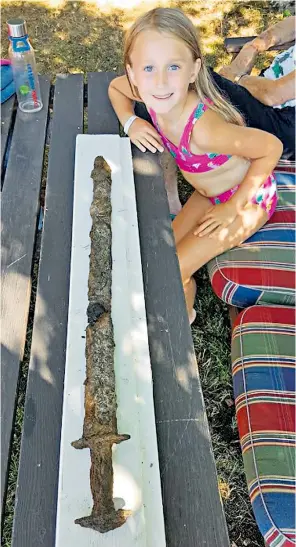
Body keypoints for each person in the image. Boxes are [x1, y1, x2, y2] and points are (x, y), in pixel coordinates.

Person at [108, 7, 283, 324]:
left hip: (248, 201)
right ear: (133, 72)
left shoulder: (204, 129)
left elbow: (272, 147)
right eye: (148, 68)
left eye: (173, 66)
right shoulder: (147, 93)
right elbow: (114, 89)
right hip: (208, 194)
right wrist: (131, 121)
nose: (160, 82)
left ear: (193, 71)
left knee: (174, 270)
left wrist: (233, 208)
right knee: (159, 254)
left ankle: (180, 323)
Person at [214, 15, 295, 160]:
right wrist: (255, 45)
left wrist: (237, 78)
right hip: (265, 92)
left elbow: (274, 94)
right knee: (197, 85)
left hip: (282, 119)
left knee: (202, 81)